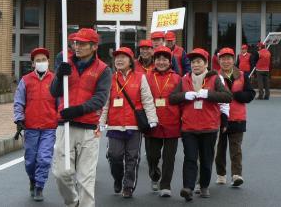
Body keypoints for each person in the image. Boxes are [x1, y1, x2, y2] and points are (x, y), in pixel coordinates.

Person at [50, 28, 112, 207]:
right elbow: (54, 92)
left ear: (94, 46)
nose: (77, 46)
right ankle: (72, 202)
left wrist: (77, 110)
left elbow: (100, 99)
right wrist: (60, 75)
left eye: (82, 43)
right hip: (65, 126)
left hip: (88, 129)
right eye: (75, 42)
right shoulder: (65, 63)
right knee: (61, 173)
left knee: (86, 179)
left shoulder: (103, 70)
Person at [169, 48, 232, 201]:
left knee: (206, 159)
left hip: (209, 127)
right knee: (190, 158)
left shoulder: (214, 78)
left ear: (205, 64)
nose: (195, 65)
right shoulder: (184, 79)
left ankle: (203, 186)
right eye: (192, 62)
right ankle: (188, 188)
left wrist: (208, 94)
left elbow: (228, 96)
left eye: (198, 62)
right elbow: (172, 98)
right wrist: (185, 95)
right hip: (189, 127)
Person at [99, 47, 158, 198]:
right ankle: (118, 178)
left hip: (134, 125)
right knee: (114, 156)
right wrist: (101, 121)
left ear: (131, 61)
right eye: (116, 58)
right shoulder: (110, 79)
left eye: (123, 57)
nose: (118, 60)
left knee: (132, 157)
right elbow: (105, 103)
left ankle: (128, 186)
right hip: (114, 124)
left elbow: (147, 100)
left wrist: (152, 119)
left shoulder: (140, 77)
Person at [13, 47, 57, 201]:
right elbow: (18, 102)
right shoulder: (25, 80)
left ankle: (39, 186)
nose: (41, 63)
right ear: (33, 63)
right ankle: (32, 179)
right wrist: (19, 119)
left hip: (49, 127)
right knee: (30, 160)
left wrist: (61, 117)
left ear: (48, 61)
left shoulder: (55, 79)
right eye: (38, 60)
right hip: (30, 127)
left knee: (44, 158)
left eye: (43, 60)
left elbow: (61, 102)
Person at [215, 48, 255, 187]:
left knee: (236, 149)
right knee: (220, 148)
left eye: (229, 58)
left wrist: (238, 95)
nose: (226, 61)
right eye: (223, 59)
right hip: (219, 118)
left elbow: (251, 94)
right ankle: (221, 174)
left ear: (233, 60)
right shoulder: (214, 76)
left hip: (238, 117)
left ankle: (236, 175)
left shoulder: (243, 75)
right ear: (219, 60)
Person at [145, 46, 181, 197]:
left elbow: (182, 100)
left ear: (170, 61)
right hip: (152, 123)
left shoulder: (177, 78)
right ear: (154, 61)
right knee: (152, 155)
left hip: (172, 122)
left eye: (165, 59)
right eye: (158, 59)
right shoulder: (146, 77)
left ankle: (166, 185)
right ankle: (154, 174)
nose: (161, 62)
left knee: (169, 158)